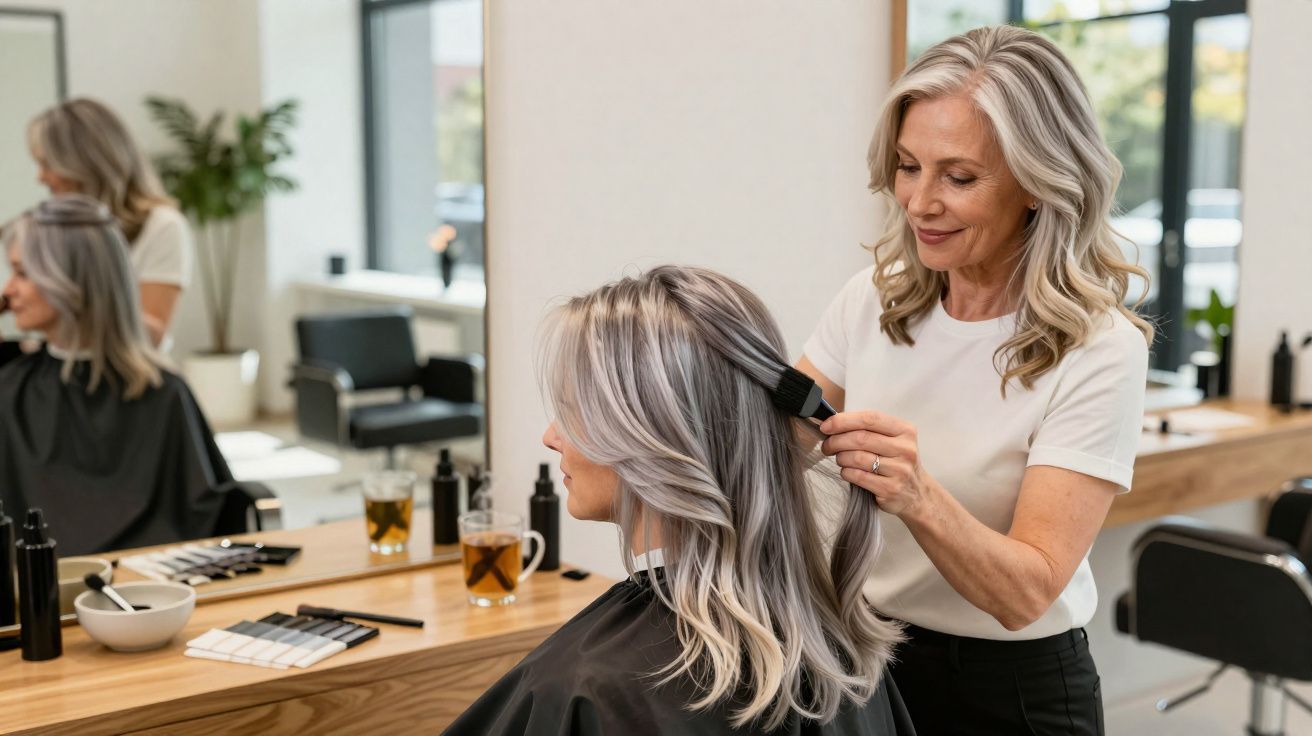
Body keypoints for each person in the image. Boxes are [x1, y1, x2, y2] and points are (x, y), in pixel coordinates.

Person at [798, 26, 1152, 735]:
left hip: (1010, 695)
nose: (919, 202)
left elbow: (1026, 593)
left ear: (1036, 183)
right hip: (868, 664)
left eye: (958, 177)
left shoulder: (1098, 349)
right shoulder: (871, 300)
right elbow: (777, 432)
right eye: (907, 166)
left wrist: (917, 494)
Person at [446, 266, 913, 735]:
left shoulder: (595, 688)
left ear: (650, 435)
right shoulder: (839, 652)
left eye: (572, 411)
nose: (551, 437)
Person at [0, 195, 228, 555]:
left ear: (72, 280)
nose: (7, 290)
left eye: (23, 273)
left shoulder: (165, 393)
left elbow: (209, 519)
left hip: (152, 588)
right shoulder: (10, 389)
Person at [27, 97, 193, 347]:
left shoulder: (163, 227)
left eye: (47, 164)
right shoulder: (53, 227)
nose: (41, 177)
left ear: (83, 162)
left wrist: (67, 299)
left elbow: (154, 333)